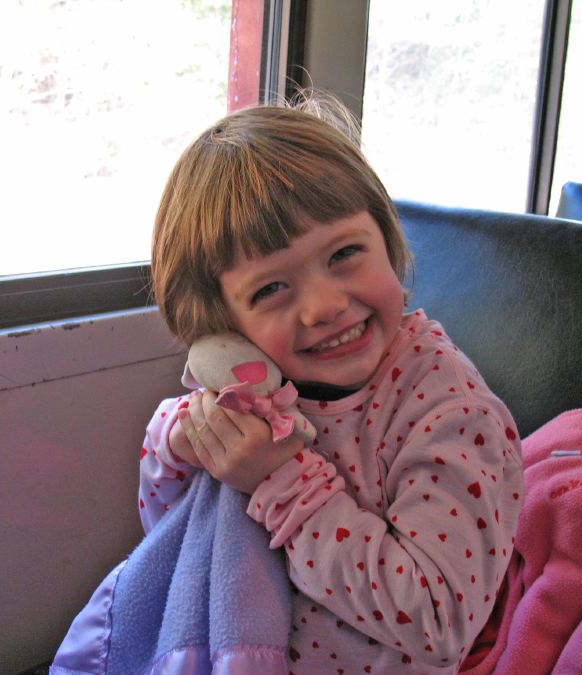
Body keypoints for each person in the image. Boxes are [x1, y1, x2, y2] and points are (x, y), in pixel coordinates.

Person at [139, 97, 524, 673]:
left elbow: (438, 622)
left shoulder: (450, 409)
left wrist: (283, 482)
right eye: (270, 290)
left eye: (344, 253)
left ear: (386, 241)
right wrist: (178, 438)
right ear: (224, 327)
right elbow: (169, 532)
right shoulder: (253, 394)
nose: (324, 306)